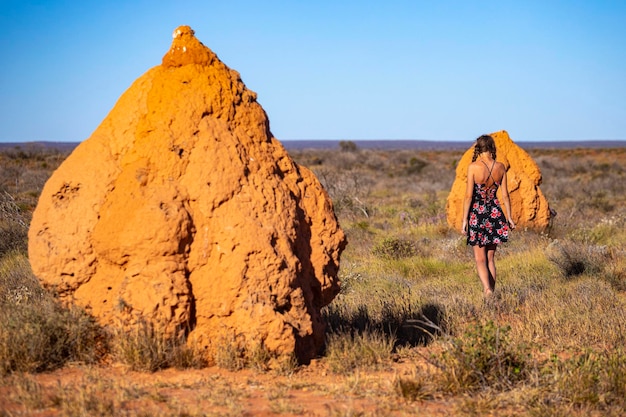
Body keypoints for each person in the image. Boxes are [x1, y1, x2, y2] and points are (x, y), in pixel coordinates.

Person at [461, 134, 515, 297]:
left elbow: (468, 196)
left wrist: (464, 220)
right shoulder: (500, 167)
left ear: (478, 148)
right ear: (492, 148)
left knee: (480, 259)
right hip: (495, 213)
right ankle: (492, 291)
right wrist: (509, 217)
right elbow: (505, 195)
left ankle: (487, 290)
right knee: (491, 259)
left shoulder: (473, 167)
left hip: (477, 215)